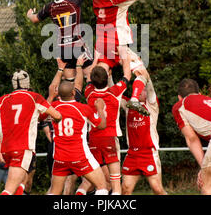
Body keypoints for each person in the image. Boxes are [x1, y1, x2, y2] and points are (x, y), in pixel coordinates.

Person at [66, 0, 149, 116]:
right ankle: (133, 98)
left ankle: (98, 109)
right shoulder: (119, 0)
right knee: (141, 73)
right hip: (119, 44)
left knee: (99, 78)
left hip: (103, 46)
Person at [0, 79, 62, 196]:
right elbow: (57, 115)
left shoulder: (3, 99)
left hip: (6, 148)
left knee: (23, 180)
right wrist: (57, 119)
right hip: (22, 148)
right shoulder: (33, 97)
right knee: (9, 189)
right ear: (28, 83)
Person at [76, 55, 132, 195]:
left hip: (94, 139)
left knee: (92, 181)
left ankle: (80, 193)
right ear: (107, 77)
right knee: (115, 182)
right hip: (109, 137)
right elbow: (127, 75)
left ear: (93, 81)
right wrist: (125, 58)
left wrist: (95, 58)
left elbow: (89, 77)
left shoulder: (89, 93)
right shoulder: (114, 92)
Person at [47, 80, 108, 195]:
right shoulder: (82, 108)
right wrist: (100, 108)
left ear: (58, 94)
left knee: (54, 192)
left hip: (60, 158)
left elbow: (41, 115)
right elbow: (102, 125)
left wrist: (51, 96)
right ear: (74, 93)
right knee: (102, 187)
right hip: (80, 156)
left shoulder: (53, 106)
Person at [26, 0, 93, 84]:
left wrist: (29, 14)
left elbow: (34, 19)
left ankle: (68, 100)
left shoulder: (50, 7)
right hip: (78, 44)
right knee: (90, 77)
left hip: (63, 48)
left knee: (69, 84)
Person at [121, 77, 167, 195]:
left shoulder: (151, 106)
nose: (140, 91)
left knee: (157, 189)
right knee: (125, 190)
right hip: (132, 154)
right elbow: (114, 93)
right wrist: (109, 76)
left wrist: (144, 75)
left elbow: (150, 88)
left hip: (148, 153)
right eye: (138, 90)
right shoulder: (128, 104)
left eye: (143, 90)